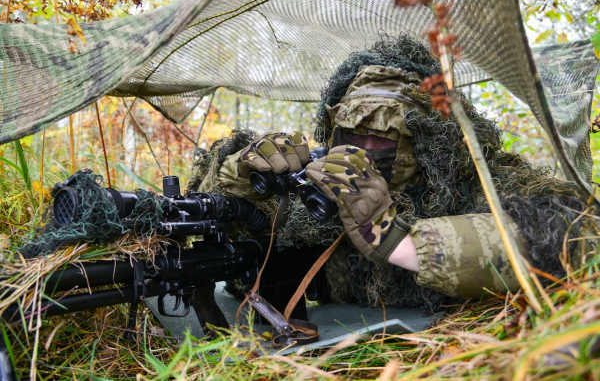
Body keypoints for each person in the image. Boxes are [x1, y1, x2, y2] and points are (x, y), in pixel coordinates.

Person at [188, 35, 596, 311]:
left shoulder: (475, 178)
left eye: (383, 138)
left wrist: (401, 242)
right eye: (348, 135)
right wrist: (236, 173)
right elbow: (238, 241)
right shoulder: (322, 187)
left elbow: (580, 231)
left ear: (429, 141)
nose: (360, 153)